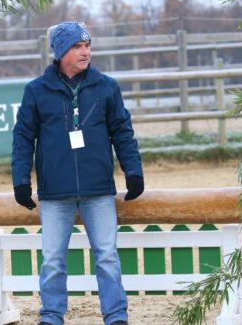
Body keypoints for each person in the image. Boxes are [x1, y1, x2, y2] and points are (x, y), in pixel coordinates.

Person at [11, 21, 144, 325]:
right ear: (60, 52)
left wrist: (133, 171)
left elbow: (122, 131)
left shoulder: (107, 86)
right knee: (54, 261)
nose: (86, 52)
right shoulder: (35, 91)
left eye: (88, 45)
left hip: (99, 190)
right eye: (77, 46)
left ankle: (116, 317)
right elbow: (23, 138)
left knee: (107, 257)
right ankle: (51, 317)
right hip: (54, 193)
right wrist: (21, 180)